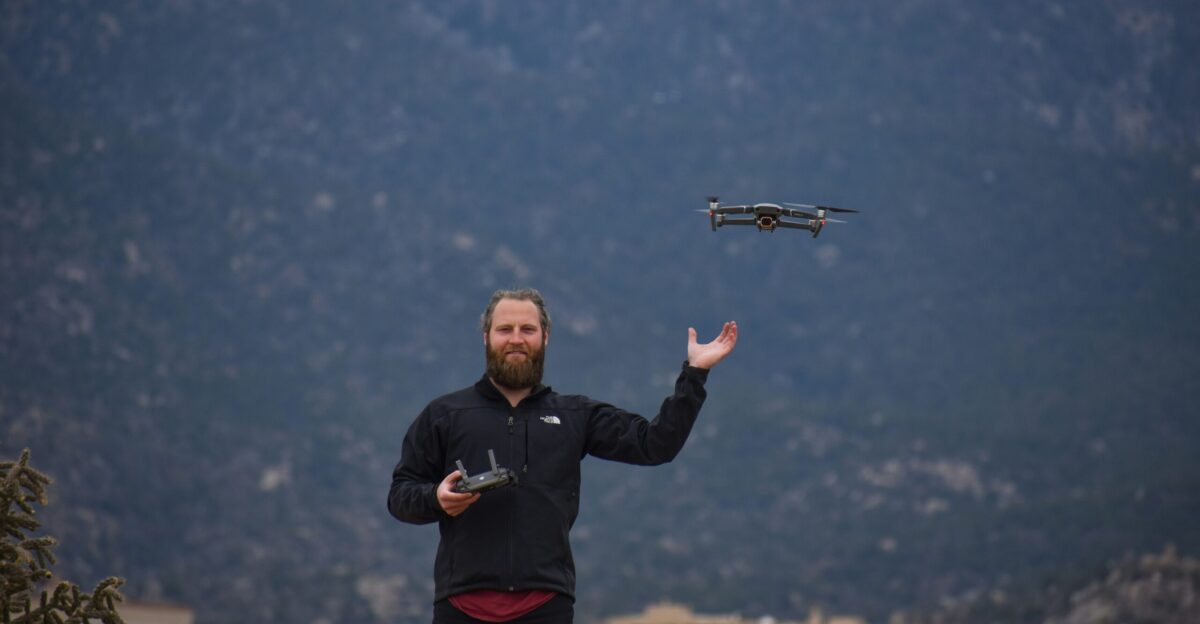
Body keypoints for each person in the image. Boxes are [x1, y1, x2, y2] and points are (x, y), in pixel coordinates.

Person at [388, 288, 738, 623]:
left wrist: (695, 374)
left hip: (545, 606)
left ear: (545, 337)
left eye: (528, 329)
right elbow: (400, 495)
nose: (516, 339)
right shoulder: (445, 415)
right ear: (486, 337)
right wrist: (435, 499)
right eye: (504, 329)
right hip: (460, 605)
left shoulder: (575, 415)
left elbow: (655, 444)